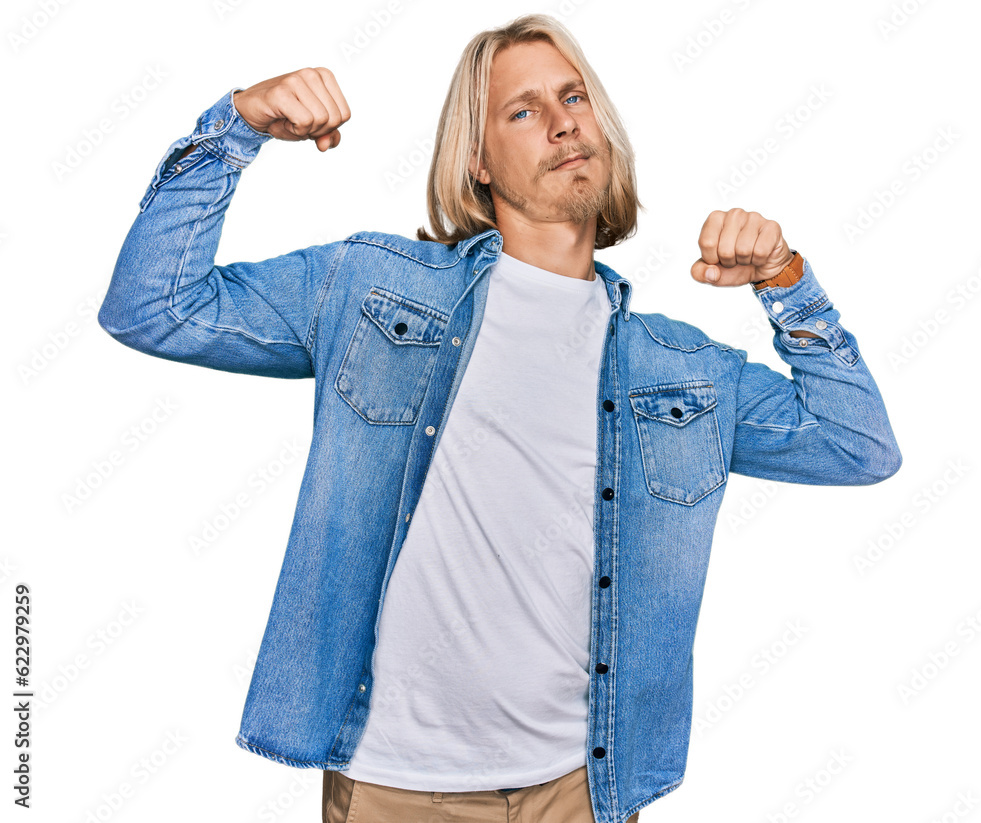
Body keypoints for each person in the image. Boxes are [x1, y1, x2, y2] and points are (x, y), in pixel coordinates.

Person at [97, 13, 902, 823]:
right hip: (395, 787)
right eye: (523, 110)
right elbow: (151, 306)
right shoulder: (372, 289)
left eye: (574, 96)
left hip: (581, 790)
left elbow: (858, 444)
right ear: (476, 162)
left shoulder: (678, 368)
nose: (562, 122)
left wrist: (786, 280)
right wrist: (238, 126)